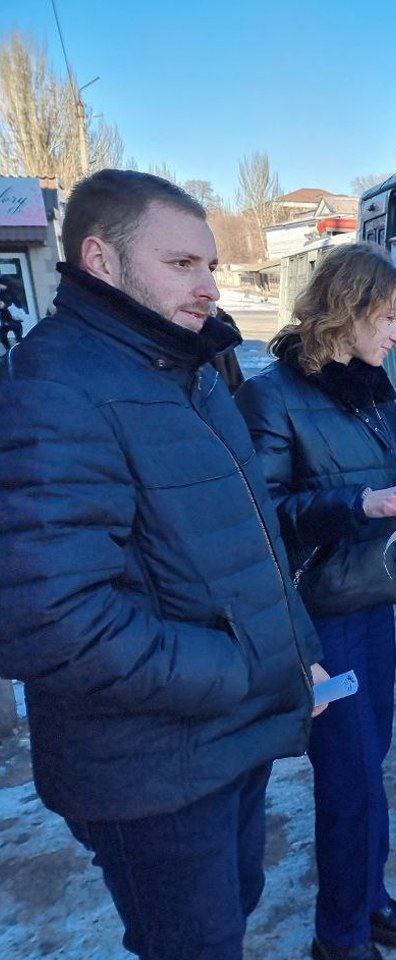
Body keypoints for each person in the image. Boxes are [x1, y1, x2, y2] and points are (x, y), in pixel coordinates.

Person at [0, 169, 328, 960]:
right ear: (100, 261)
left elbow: (248, 542)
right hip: (149, 772)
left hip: (228, 738)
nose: (210, 287)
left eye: (211, 265)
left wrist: (298, 653)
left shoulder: (189, 370)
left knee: (233, 912)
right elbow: (51, 619)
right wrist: (238, 670)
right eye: (182, 264)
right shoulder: (58, 387)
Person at [236, 243, 396, 960]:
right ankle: (338, 935)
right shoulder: (271, 394)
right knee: (347, 775)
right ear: (349, 307)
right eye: (391, 317)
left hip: (372, 600)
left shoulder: (371, 390)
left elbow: (385, 489)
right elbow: (262, 516)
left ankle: (368, 895)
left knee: (372, 763)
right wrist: (366, 501)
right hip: (316, 619)